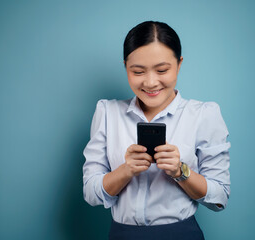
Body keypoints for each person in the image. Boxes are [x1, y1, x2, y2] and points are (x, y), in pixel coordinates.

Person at [82, 21, 230, 240]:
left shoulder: (203, 115)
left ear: (179, 64)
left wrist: (181, 172)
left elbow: (220, 198)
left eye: (162, 70)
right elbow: (91, 194)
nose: (151, 82)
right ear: (125, 67)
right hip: (123, 234)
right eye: (138, 71)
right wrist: (126, 170)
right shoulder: (107, 112)